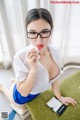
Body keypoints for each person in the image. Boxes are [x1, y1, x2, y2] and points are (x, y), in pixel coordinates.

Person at [0, 8, 77, 114]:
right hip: (21, 95)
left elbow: (54, 80)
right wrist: (33, 70)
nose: (39, 40)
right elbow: (23, 92)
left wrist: (60, 98)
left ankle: (16, 81)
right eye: (32, 33)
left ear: (51, 30)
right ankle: (3, 88)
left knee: (19, 81)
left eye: (44, 31)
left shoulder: (54, 51)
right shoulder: (20, 57)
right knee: (18, 104)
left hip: (33, 89)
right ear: (27, 32)